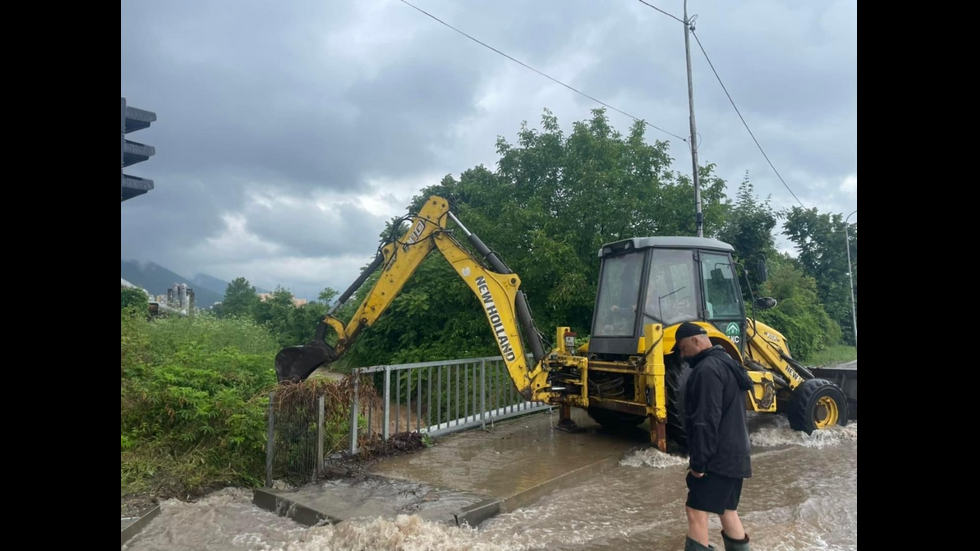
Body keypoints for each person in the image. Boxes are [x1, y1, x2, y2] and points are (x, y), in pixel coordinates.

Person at [669, 322, 755, 551]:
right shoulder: (728, 363)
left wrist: (698, 465)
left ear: (697, 341)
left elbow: (705, 421)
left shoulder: (706, 370)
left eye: (683, 348)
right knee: (727, 509)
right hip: (736, 454)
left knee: (695, 511)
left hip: (717, 456)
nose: (682, 355)